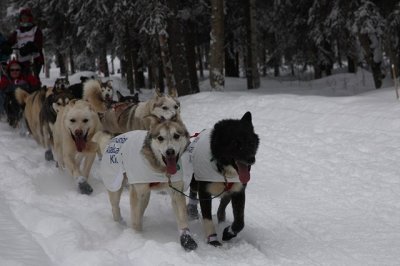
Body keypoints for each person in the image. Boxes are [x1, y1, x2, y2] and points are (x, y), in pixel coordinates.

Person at [8, 8, 44, 79]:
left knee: (33, 80)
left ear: (29, 18)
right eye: (22, 18)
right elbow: (10, 42)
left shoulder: (35, 29)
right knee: (23, 81)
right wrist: (5, 46)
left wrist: (31, 46)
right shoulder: (18, 32)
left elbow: (39, 44)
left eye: (26, 17)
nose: (24, 19)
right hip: (22, 62)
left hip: (34, 61)